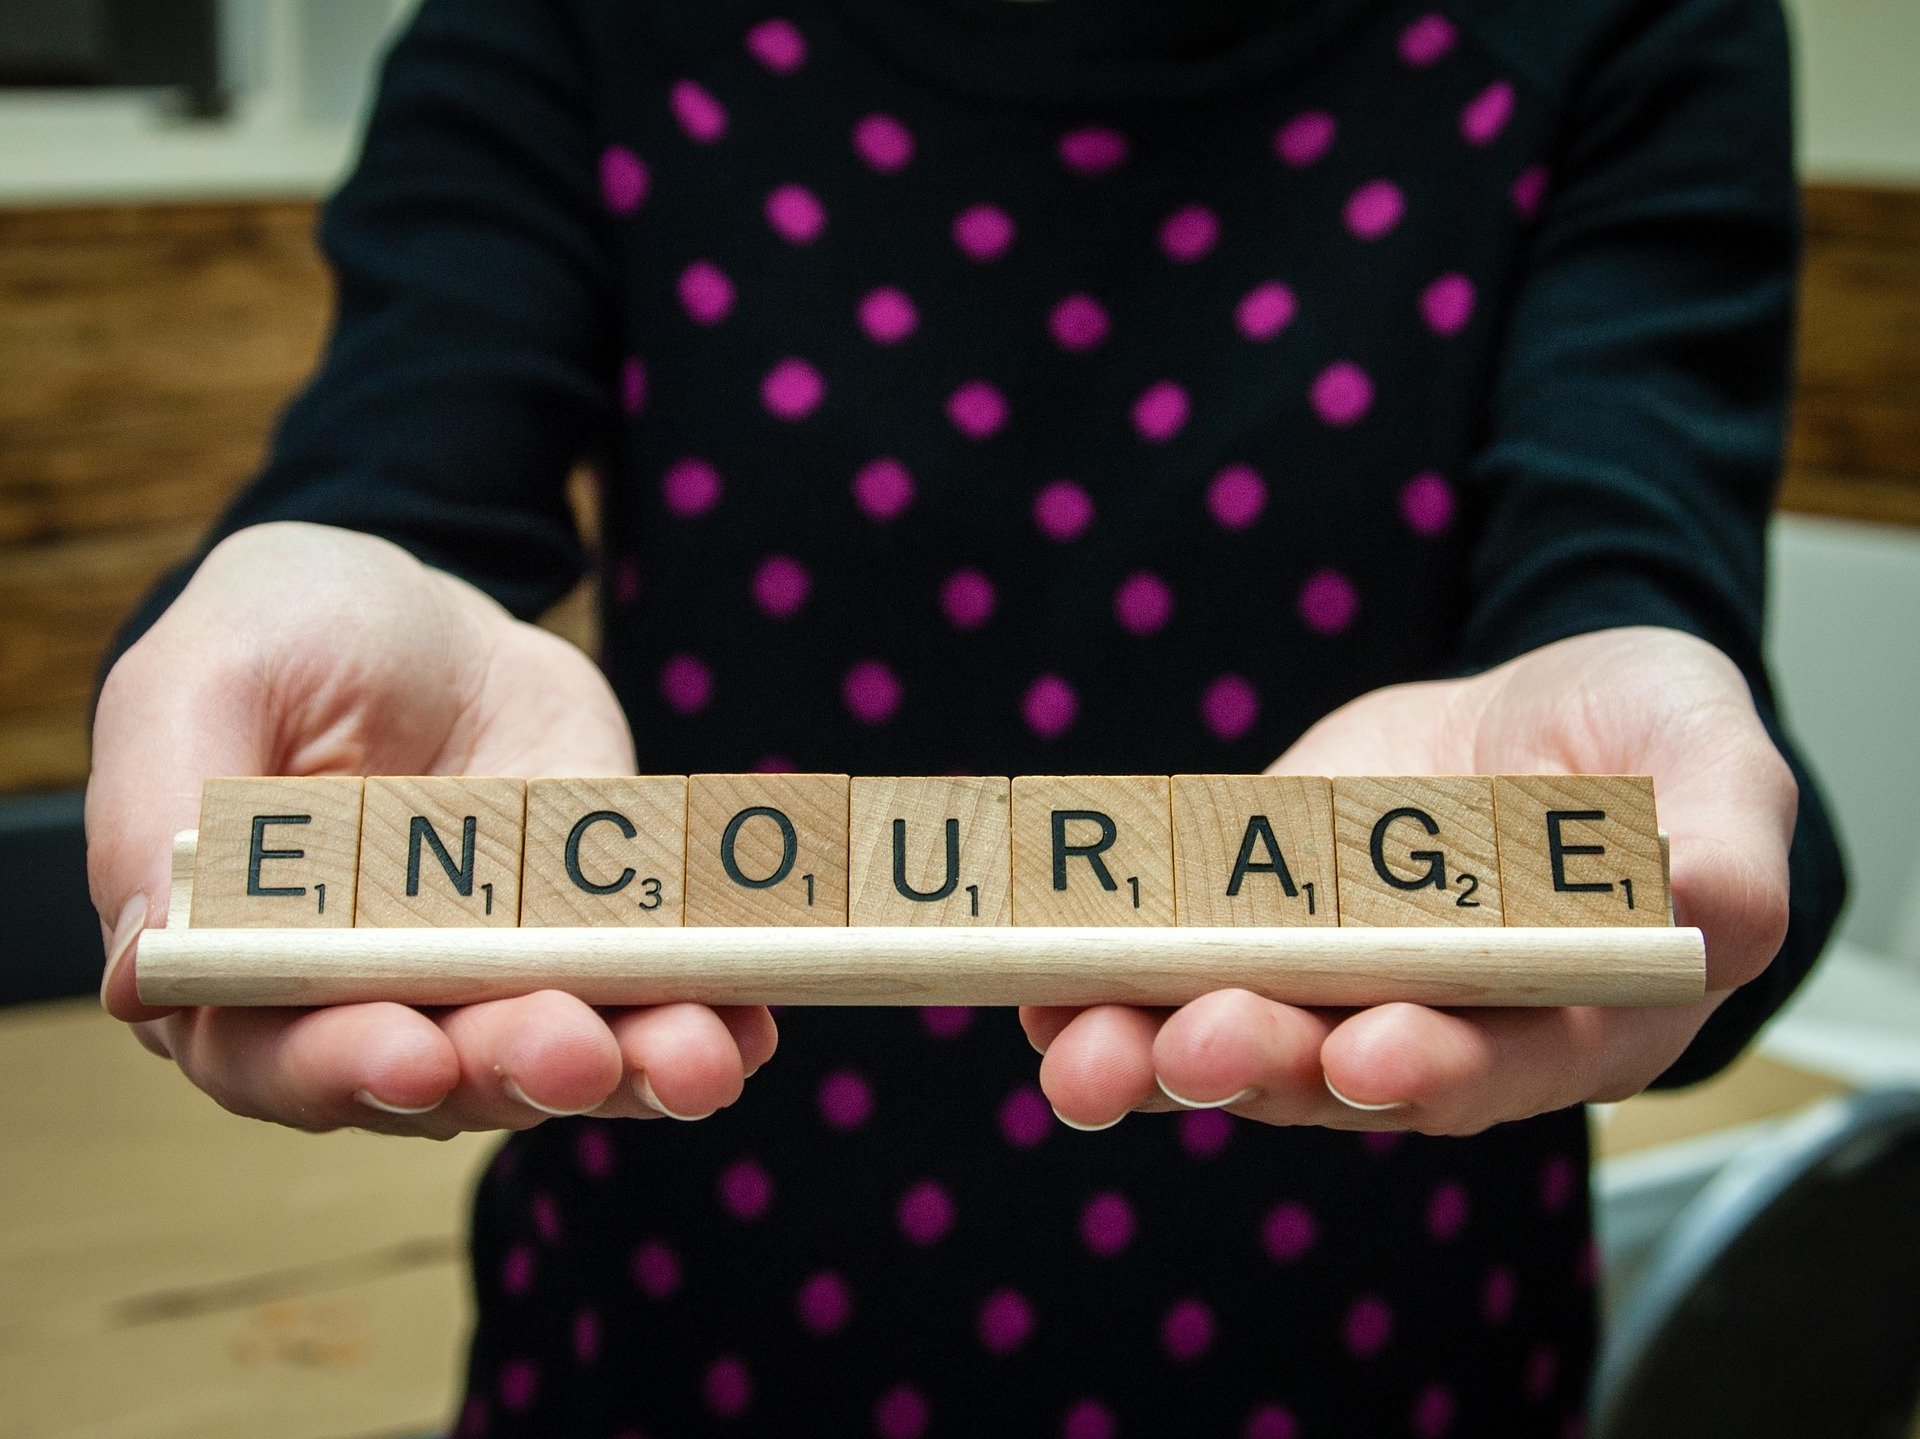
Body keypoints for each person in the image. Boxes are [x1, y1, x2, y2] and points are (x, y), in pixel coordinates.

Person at [87, 0, 1844, 1433]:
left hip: (1378, 1322)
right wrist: (318, 579)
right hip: (677, 1311)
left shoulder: (1632, 26)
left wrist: (1655, 762)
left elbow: (1629, 554)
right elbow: (407, 445)